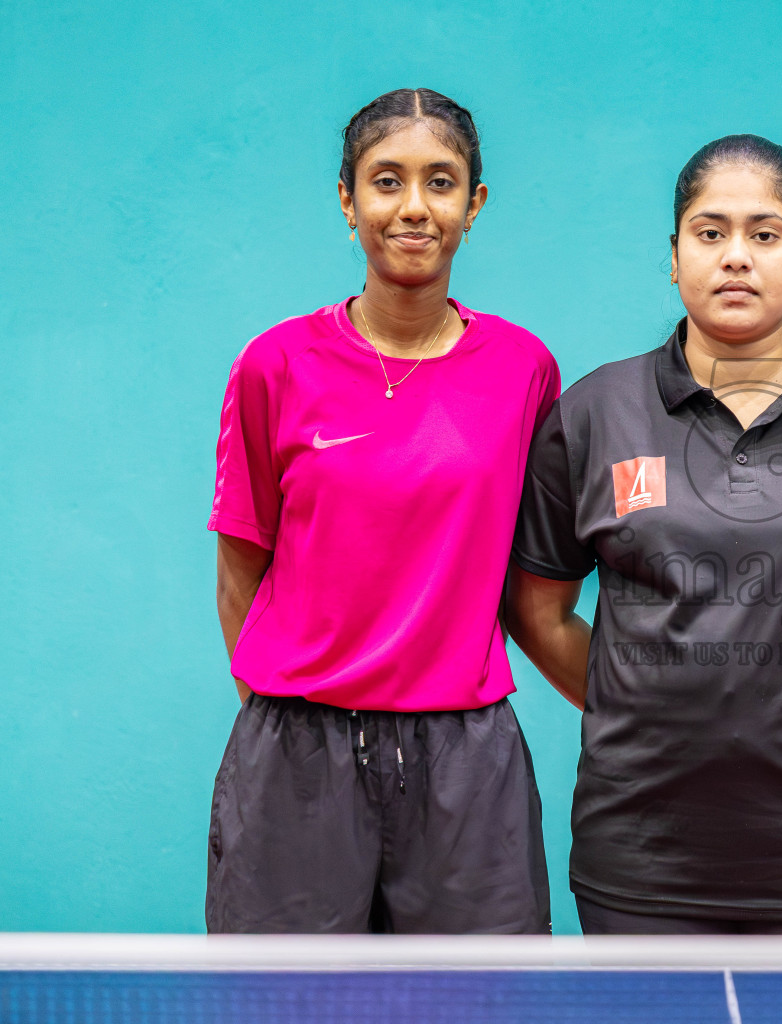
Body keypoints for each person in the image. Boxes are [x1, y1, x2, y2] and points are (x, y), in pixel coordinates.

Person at [504, 135, 782, 935]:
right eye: (710, 233)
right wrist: (634, 693)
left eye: (765, 233)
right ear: (673, 257)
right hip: (641, 858)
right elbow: (538, 610)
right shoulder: (592, 413)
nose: (736, 257)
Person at [205, 88, 558, 933]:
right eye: (386, 180)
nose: (413, 207)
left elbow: (530, 575)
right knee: (282, 1007)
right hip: (297, 754)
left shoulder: (524, 371)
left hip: (466, 761)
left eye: (441, 182)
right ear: (347, 199)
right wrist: (296, 710)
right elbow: (240, 570)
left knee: (483, 1006)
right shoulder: (275, 364)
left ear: (473, 205)